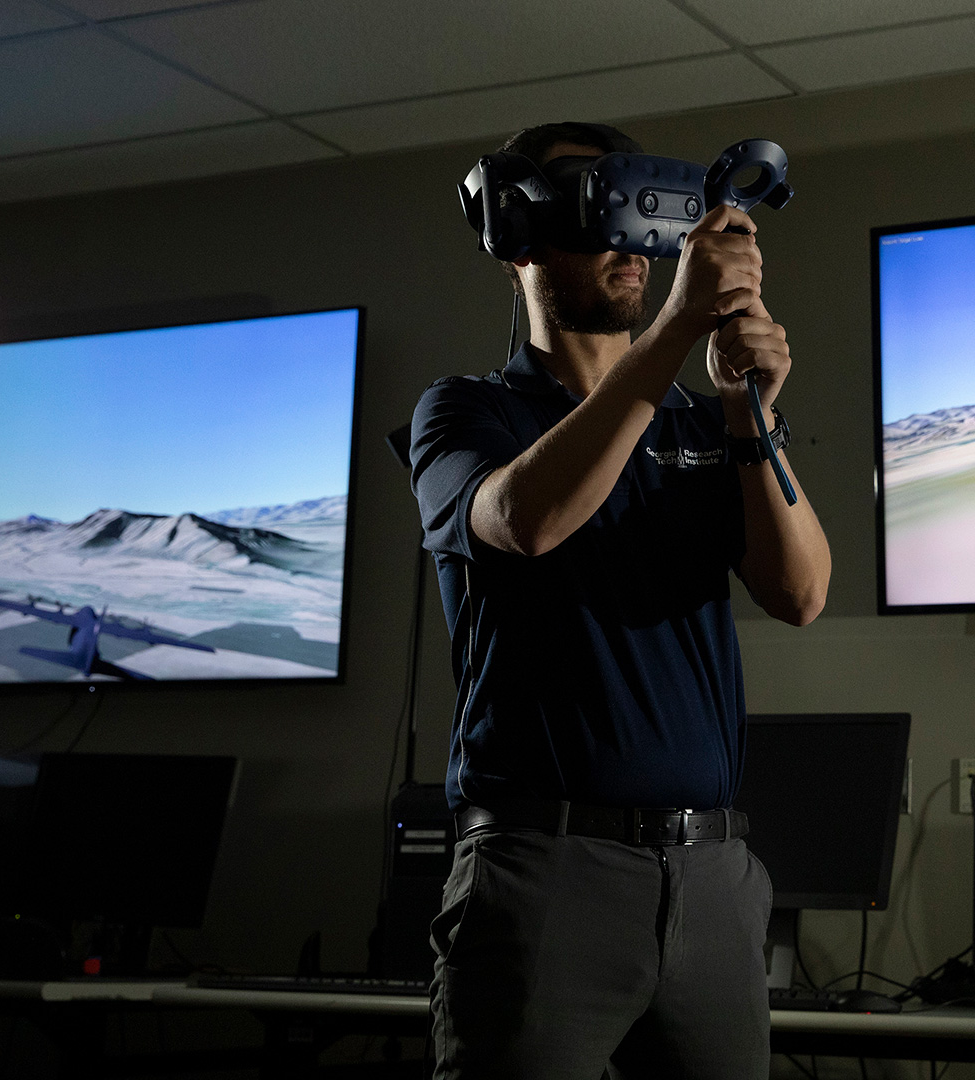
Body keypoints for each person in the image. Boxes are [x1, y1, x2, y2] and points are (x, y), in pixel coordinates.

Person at [408, 121, 831, 1079]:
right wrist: (680, 331)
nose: (629, 248)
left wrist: (745, 414)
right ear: (517, 237)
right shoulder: (470, 412)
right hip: (545, 872)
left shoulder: (696, 417)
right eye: (590, 215)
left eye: (638, 220)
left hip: (715, 874)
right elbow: (528, 519)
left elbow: (801, 591)